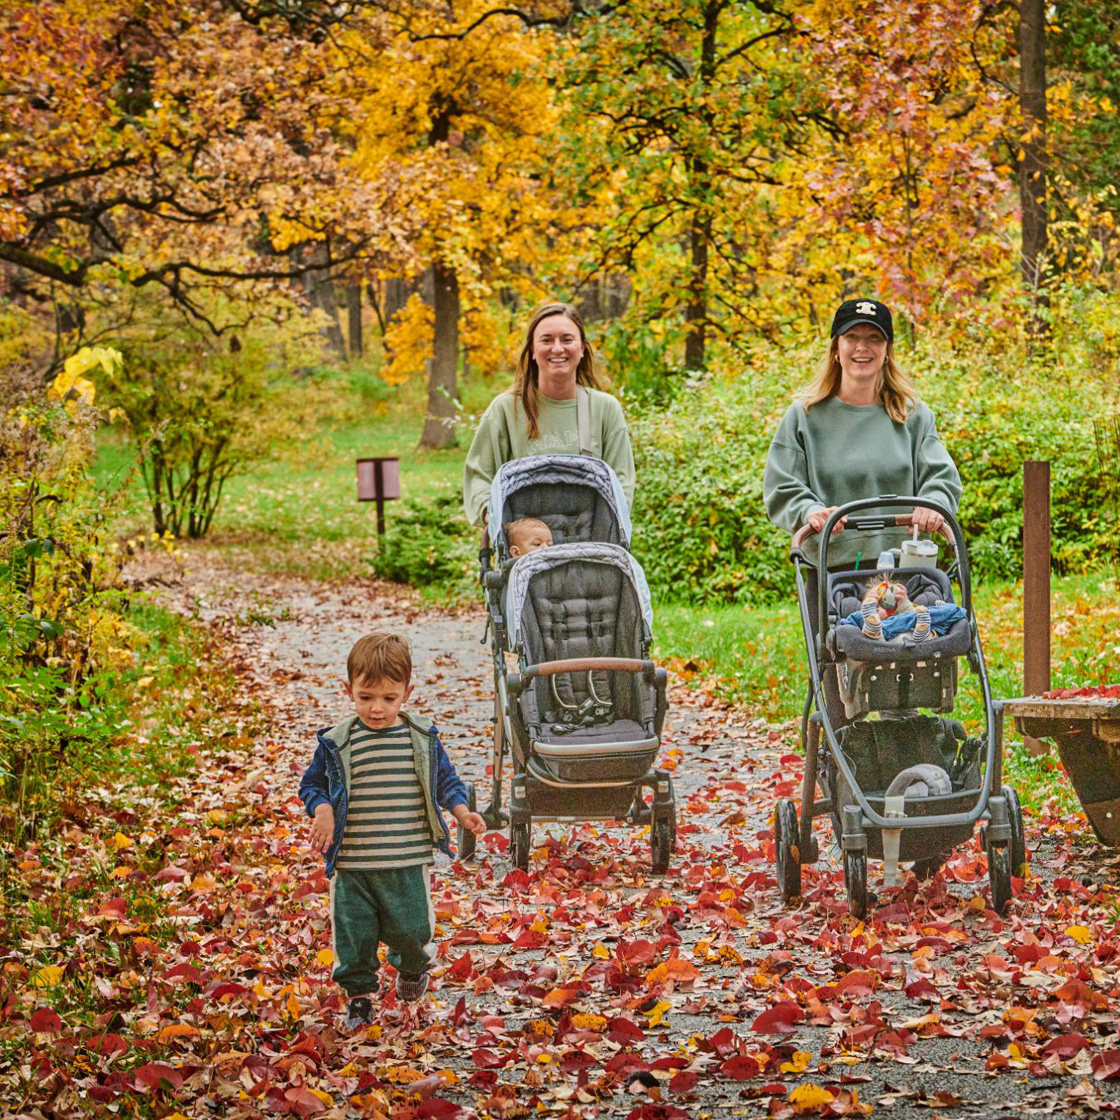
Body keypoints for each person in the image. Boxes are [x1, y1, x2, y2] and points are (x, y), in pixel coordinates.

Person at [298, 631, 485, 1030]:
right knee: (355, 939)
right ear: (348, 690)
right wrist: (324, 809)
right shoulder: (338, 742)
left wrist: (461, 811)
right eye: (366, 697)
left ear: (407, 692)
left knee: (413, 931)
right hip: (352, 864)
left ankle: (413, 968)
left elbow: (445, 781)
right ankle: (360, 998)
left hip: (405, 859)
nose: (377, 708)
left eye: (388, 698)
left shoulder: (420, 738)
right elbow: (311, 786)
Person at [763, 298, 962, 568]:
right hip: (830, 568)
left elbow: (942, 478)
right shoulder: (804, 417)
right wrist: (810, 511)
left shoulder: (913, 416)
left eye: (874, 338)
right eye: (851, 336)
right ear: (836, 348)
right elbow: (782, 486)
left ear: (887, 350)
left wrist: (933, 503)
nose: (862, 347)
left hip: (907, 565)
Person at [462, 302, 636, 527]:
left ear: (582, 348)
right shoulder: (506, 410)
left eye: (566, 339)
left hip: (591, 549)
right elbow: (479, 476)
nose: (557, 349)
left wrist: (609, 528)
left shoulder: (605, 409)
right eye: (546, 340)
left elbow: (621, 483)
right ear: (533, 350)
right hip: (523, 554)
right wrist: (494, 518)